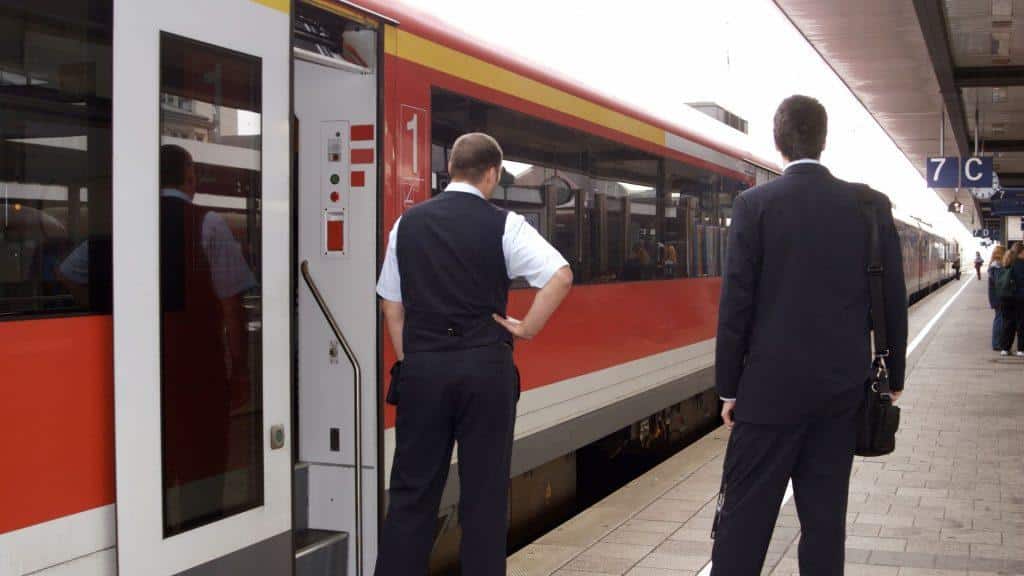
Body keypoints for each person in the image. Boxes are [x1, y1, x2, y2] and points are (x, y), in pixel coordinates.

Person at [712, 95, 908, 576]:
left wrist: (729, 388)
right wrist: (894, 373)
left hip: (766, 395)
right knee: (824, 525)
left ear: (779, 142)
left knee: (743, 523)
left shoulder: (754, 205)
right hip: (840, 393)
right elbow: (891, 299)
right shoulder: (867, 207)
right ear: (823, 141)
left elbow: (736, 304)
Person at [374, 133, 573, 575]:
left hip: (424, 369)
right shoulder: (505, 224)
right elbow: (560, 275)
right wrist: (527, 328)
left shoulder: (407, 225)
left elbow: (392, 306)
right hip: (486, 369)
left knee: (411, 497)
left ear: (450, 171)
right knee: (484, 499)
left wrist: (415, 360)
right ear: (492, 174)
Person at [999, 243, 1024, 357]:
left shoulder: (1006, 262)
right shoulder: (1021, 264)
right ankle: (1021, 349)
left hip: (1005, 298)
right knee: (1021, 323)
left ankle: (1005, 348)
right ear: (1021, 252)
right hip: (1019, 297)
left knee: (1007, 323)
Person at [988, 245, 1007, 350]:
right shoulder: (997, 267)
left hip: (996, 297)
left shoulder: (994, 266)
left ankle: (997, 343)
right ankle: (997, 344)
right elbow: (999, 283)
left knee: (999, 319)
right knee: (999, 319)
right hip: (999, 297)